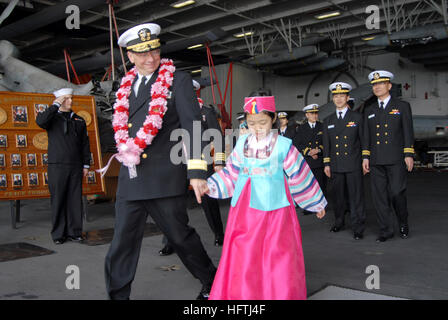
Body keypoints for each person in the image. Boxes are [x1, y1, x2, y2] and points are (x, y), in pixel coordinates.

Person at [104, 23, 216, 300]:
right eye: (142, 53)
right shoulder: (125, 86)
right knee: (121, 243)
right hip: (131, 179)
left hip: (164, 176)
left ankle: (212, 281)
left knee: (180, 237)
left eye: (154, 50)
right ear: (130, 56)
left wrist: (197, 171)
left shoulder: (177, 80)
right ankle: (118, 296)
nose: (150, 58)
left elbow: (192, 125)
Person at [201, 95, 327, 300]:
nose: (257, 127)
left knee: (277, 252)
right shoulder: (242, 143)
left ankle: (277, 293)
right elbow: (231, 172)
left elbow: (299, 173)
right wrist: (210, 185)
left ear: (273, 118)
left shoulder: (284, 145)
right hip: (244, 209)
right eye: (251, 123)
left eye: (262, 122)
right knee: (244, 251)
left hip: (275, 208)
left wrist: (315, 202)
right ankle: (244, 295)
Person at [159, 81, 225, 256]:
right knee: (172, 202)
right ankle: (170, 240)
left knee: (208, 200)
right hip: (176, 161)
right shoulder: (169, 112)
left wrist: (219, 162)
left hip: (201, 159)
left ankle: (219, 234)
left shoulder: (205, 112)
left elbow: (217, 137)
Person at [362, 70, 414, 242]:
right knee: (379, 197)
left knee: (397, 193)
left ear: (389, 86)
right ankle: (385, 230)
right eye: (374, 84)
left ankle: (403, 221)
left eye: (380, 84)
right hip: (376, 160)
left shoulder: (402, 106)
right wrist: (365, 157)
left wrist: (408, 153)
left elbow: (407, 131)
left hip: (396, 159)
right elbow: (367, 135)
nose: (377, 87)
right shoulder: (369, 110)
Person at [36, 87, 91, 245]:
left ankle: (75, 232)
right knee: (58, 198)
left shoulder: (79, 120)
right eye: (66, 99)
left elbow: (84, 144)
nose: (70, 101)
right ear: (59, 100)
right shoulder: (52, 118)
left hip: (75, 165)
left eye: (71, 98)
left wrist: (86, 164)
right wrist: (54, 105)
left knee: (75, 199)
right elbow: (40, 121)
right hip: (57, 165)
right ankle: (59, 234)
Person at [323, 82, 366, 240]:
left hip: (353, 162)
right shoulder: (328, 120)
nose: (339, 99)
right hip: (335, 164)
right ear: (333, 99)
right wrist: (327, 163)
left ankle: (358, 226)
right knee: (338, 196)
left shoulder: (357, 118)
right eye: (336, 96)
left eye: (342, 96)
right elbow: (326, 144)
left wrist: (365, 160)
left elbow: (363, 141)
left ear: (348, 97)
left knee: (356, 196)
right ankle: (339, 221)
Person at [293, 104, 326, 215]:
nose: (315, 115)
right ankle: (309, 206)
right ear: (307, 115)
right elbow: (298, 143)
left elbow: (326, 142)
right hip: (308, 160)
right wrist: (309, 152)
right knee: (308, 185)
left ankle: (320, 206)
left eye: (316, 113)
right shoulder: (301, 128)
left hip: (319, 159)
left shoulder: (322, 126)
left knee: (320, 184)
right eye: (312, 113)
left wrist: (318, 150)